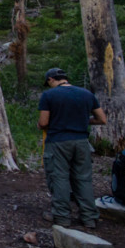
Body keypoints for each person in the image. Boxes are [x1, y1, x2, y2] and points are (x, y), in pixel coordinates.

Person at [37, 67, 106, 229]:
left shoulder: (49, 95)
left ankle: (62, 217)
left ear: (51, 80)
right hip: (81, 142)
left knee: (59, 177)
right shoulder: (86, 94)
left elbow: (44, 122)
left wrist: (42, 124)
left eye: (48, 83)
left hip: (58, 142)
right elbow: (102, 119)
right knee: (83, 179)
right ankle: (89, 217)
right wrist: (82, 120)